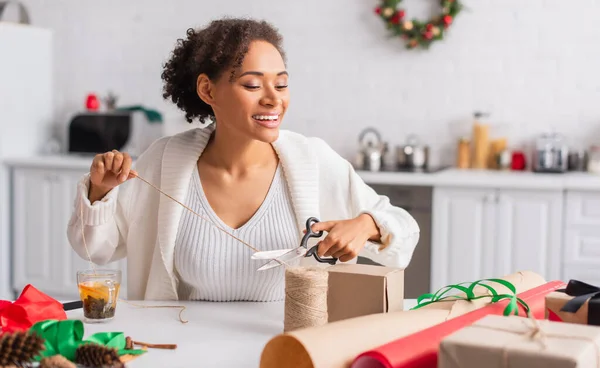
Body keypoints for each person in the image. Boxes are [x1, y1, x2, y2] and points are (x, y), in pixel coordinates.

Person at [67, 17, 420, 301]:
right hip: (184, 343)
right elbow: (96, 250)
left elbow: (404, 231)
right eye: (253, 86)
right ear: (208, 90)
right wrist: (100, 192)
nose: (273, 99)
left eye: (281, 85)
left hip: (288, 345)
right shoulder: (164, 160)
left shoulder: (313, 160)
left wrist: (368, 224)